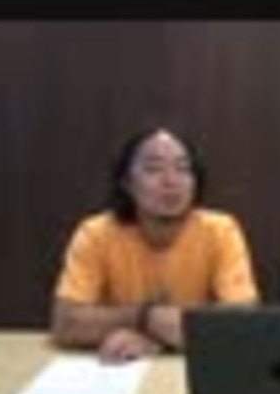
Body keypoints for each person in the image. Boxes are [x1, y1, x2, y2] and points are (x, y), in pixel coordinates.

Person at [50, 124, 260, 362]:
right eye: (153, 168)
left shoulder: (221, 230)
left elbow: (243, 321)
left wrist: (156, 340)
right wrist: (145, 318)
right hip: (120, 366)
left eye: (182, 168)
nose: (171, 181)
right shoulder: (95, 233)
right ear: (127, 183)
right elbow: (64, 323)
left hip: (195, 367)